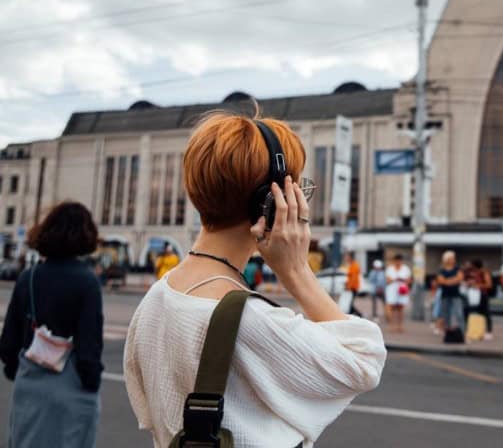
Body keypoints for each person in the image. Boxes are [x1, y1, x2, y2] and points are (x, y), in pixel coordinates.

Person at [124, 112, 386, 447]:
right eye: (298, 189)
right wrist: (296, 270)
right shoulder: (250, 321)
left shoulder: (157, 297)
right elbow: (366, 358)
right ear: (272, 202)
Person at [0, 202, 104, 448]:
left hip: (30, 391)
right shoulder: (88, 282)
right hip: (73, 394)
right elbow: (89, 346)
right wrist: (90, 383)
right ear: (86, 235)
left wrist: (17, 371)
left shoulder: (29, 277)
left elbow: (8, 343)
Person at [464, 259, 493, 340]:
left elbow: (489, 284)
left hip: (482, 295)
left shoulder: (484, 272)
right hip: (473, 295)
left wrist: (478, 285)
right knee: (470, 312)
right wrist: (469, 284)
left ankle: (489, 331)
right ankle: (472, 330)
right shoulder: (473, 273)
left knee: (485, 312)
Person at [436, 251, 464, 335]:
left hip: (456, 294)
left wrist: (448, 281)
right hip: (445, 294)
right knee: (446, 314)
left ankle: (462, 332)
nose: (453, 260)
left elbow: (459, 278)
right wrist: (453, 280)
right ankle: (447, 333)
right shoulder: (442, 270)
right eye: (451, 258)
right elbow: (441, 280)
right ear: (446, 259)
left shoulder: (457, 269)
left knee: (459, 313)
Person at [385, 254, 411, 333]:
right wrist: (395, 279)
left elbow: (409, 280)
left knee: (400, 308)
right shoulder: (390, 269)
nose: (398, 262)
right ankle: (391, 325)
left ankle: (399, 326)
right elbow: (388, 280)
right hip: (392, 290)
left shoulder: (405, 269)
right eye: (396, 261)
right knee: (390, 307)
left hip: (402, 290)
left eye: (399, 261)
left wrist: (402, 280)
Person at [342, 251, 363, 317]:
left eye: (347, 256)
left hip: (353, 287)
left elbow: (354, 278)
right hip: (351, 287)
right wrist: (346, 284)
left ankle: (359, 315)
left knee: (349, 303)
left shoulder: (354, 266)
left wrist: (349, 286)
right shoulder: (351, 265)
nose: (345, 258)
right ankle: (355, 315)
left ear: (350, 257)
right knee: (350, 303)